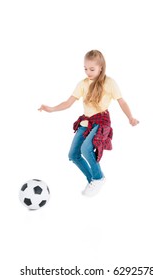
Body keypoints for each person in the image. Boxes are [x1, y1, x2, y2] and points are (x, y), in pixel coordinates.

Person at [38, 50, 139, 196]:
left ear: (101, 68)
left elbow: (121, 101)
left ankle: (99, 177)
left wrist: (130, 117)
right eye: (85, 68)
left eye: (92, 69)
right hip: (86, 121)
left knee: (86, 148)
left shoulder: (109, 83)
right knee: (73, 155)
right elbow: (68, 102)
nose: (88, 72)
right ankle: (92, 179)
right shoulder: (83, 84)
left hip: (101, 120)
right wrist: (52, 109)